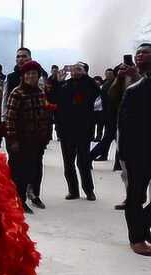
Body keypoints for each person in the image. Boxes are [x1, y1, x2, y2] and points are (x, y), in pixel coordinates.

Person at [5, 61, 52, 213]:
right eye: (28, 74)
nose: (31, 76)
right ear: (23, 76)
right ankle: (18, 200)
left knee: (33, 170)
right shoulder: (17, 93)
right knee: (19, 172)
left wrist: (45, 136)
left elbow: (44, 115)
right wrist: (13, 140)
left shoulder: (40, 92)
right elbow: (10, 119)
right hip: (21, 140)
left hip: (36, 140)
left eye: (34, 74)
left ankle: (31, 196)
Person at [117, 43, 151, 256]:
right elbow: (124, 126)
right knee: (135, 196)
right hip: (138, 152)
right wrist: (125, 156)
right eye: (139, 52)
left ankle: (143, 224)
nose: (140, 56)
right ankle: (137, 238)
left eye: (144, 52)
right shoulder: (134, 90)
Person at [57, 62, 100, 201]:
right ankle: (73, 190)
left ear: (85, 71)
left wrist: (86, 77)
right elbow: (55, 99)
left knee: (83, 162)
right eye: (74, 69)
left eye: (79, 69)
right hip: (66, 130)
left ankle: (89, 190)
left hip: (83, 129)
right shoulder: (65, 84)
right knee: (68, 163)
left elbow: (97, 95)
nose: (75, 71)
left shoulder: (90, 84)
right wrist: (58, 82)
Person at [111, 62, 143, 210]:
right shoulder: (120, 81)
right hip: (123, 128)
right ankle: (131, 197)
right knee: (126, 169)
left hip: (142, 129)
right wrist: (119, 78)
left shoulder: (143, 79)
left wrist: (135, 76)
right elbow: (110, 96)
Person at [91, 68, 118, 161]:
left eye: (111, 74)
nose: (109, 76)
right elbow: (101, 101)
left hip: (116, 115)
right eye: (107, 74)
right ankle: (98, 155)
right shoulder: (105, 85)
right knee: (108, 138)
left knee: (112, 139)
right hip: (108, 115)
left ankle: (94, 156)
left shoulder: (117, 84)